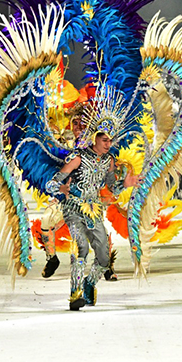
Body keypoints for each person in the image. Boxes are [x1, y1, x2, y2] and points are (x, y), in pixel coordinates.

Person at [46, 130, 140, 310]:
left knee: (104, 257)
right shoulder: (78, 157)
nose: (108, 144)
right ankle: (76, 294)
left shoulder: (108, 160)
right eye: (104, 140)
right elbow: (52, 182)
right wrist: (61, 189)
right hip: (73, 208)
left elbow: (112, 187)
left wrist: (125, 184)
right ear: (94, 138)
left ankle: (89, 283)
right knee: (80, 247)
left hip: (93, 210)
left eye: (110, 141)